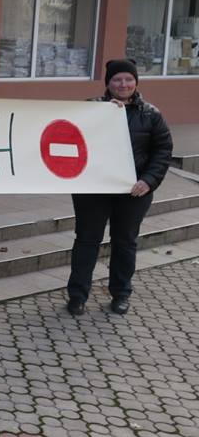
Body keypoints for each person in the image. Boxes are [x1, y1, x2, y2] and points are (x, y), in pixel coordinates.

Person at [66, 58, 172, 317]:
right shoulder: (92, 109)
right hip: (93, 190)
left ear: (136, 82)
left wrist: (148, 181)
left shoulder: (151, 114)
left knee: (125, 243)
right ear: (108, 83)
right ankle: (78, 296)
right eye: (117, 79)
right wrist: (105, 115)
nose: (123, 84)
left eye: (128, 79)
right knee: (87, 242)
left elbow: (163, 150)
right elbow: (71, 136)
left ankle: (121, 294)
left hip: (133, 192)